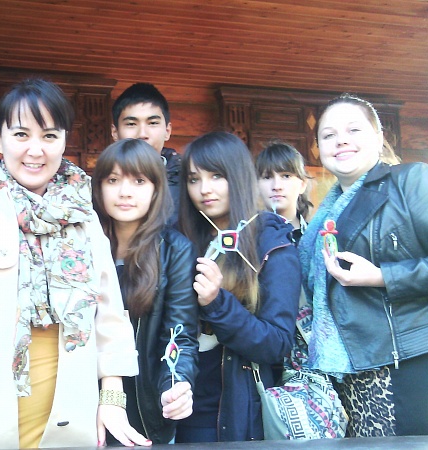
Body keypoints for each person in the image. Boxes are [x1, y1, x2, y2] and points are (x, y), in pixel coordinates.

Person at [0, 79, 151, 449]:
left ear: (64, 140)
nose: (36, 150)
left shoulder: (84, 216)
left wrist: (112, 399)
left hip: (68, 415)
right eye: (21, 134)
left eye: (49, 136)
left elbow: (109, 315)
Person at [299, 93, 428, 437]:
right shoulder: (324, 216)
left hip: (411, 363)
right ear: (318, 148)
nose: (341, 140)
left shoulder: (412, 181)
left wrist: (381, 276)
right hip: (351, 372)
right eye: (329, 135)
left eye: (354, 130)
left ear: (378, 136)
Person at [174, 131, 300, 442]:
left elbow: (277, 343)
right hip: (172, 410)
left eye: (217, 176)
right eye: (194, 179)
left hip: (232, 415)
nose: (204, 189)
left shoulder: (272, 244)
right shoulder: (177, 240)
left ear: (240, 176)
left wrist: (217, 303)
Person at [91, 138, 198, 444]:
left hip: (146, 408)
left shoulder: (174, 250)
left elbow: (179, 334)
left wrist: (176, 385)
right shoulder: (80, 244)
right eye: (113, 180)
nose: (125, 192)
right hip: (82, 406)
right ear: (98, 188)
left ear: (156, 189)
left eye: (138, 181)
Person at [111, 83, 181, 224]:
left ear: (167, 131)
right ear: (115, 133)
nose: (142, 134)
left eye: (153, 123)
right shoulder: (102, 183)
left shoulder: (187, 181)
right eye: (131, 124)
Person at [255, 142, 313, 244]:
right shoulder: (246, 237)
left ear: (302, 184)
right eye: (267, 177)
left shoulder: (316, 238)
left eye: (286, 176)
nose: (277, 186)